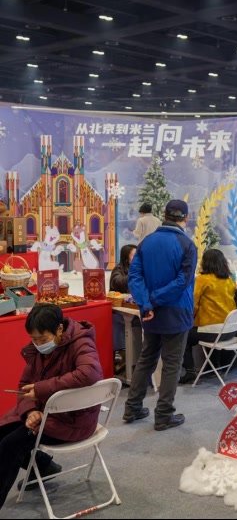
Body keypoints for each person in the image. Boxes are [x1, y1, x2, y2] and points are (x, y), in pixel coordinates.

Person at [0, 304, 103, 507]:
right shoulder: (37, 351)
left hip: (74, 419)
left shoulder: (80, 342)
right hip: (47, 414)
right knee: (2, 432)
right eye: (34, 339)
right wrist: (31, 410)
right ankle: (43, 466)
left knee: (10, 445)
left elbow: (90, 373)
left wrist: (41, 389)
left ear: (59, 329)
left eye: (43, 338)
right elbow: (24, 386)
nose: (38, 344)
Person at [124, 199, 197, 431]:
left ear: (164, 215)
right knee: (172, 364)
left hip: (150, 312)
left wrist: (147, 303)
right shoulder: (187, 245)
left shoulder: (146, 242)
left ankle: (132, 407)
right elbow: (183, 281)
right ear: (186, 218)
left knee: (147, 358)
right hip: (177, 310)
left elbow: (134, 276)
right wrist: (155, 299)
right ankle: (164, 414)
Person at [179, 249, 237, 384]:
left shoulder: (202, 279)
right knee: (208, 331)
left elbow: (193, 304)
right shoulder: (229, 280)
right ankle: (214, 367)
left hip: (213, 332)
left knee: (183, 334)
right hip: (231, 330)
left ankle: (190, 371)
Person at [110, 243, 137, 372]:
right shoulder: (118, 269)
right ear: (126, 258)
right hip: (119, 312)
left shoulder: (137, 269)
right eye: (134, 255)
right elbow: (118, 282)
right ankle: (123, 359)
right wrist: (134, 274)